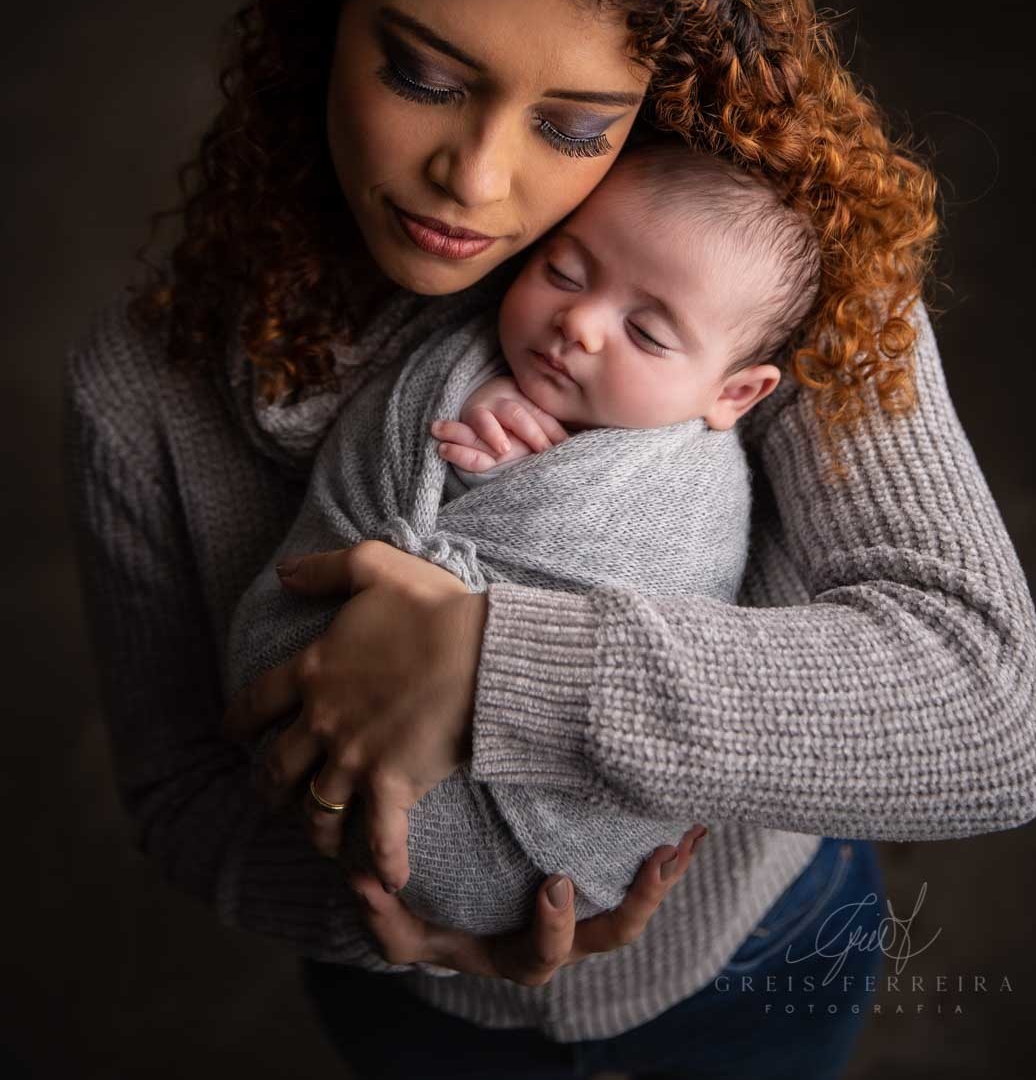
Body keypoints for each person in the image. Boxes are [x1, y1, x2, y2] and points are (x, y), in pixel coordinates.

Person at [63, 0, 1036, 1080]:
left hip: (758, 959)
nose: (475, 179)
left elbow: (983, 714)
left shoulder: (768, 262)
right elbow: (180, 798)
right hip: (417, 1017)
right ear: (319, 17)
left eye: (575, 125)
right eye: (421, 73)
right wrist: (406, 920)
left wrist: (484, 666)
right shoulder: (146, 383)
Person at [225, 136, 821, 954]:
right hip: (359, 843)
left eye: (645, 334)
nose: (576, 321)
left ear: (732, 392)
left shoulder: (690, 488)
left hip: (757, 932)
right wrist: (471, 455)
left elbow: (667, 617)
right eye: (564, 273)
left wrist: (476, 590)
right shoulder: (458, 367)